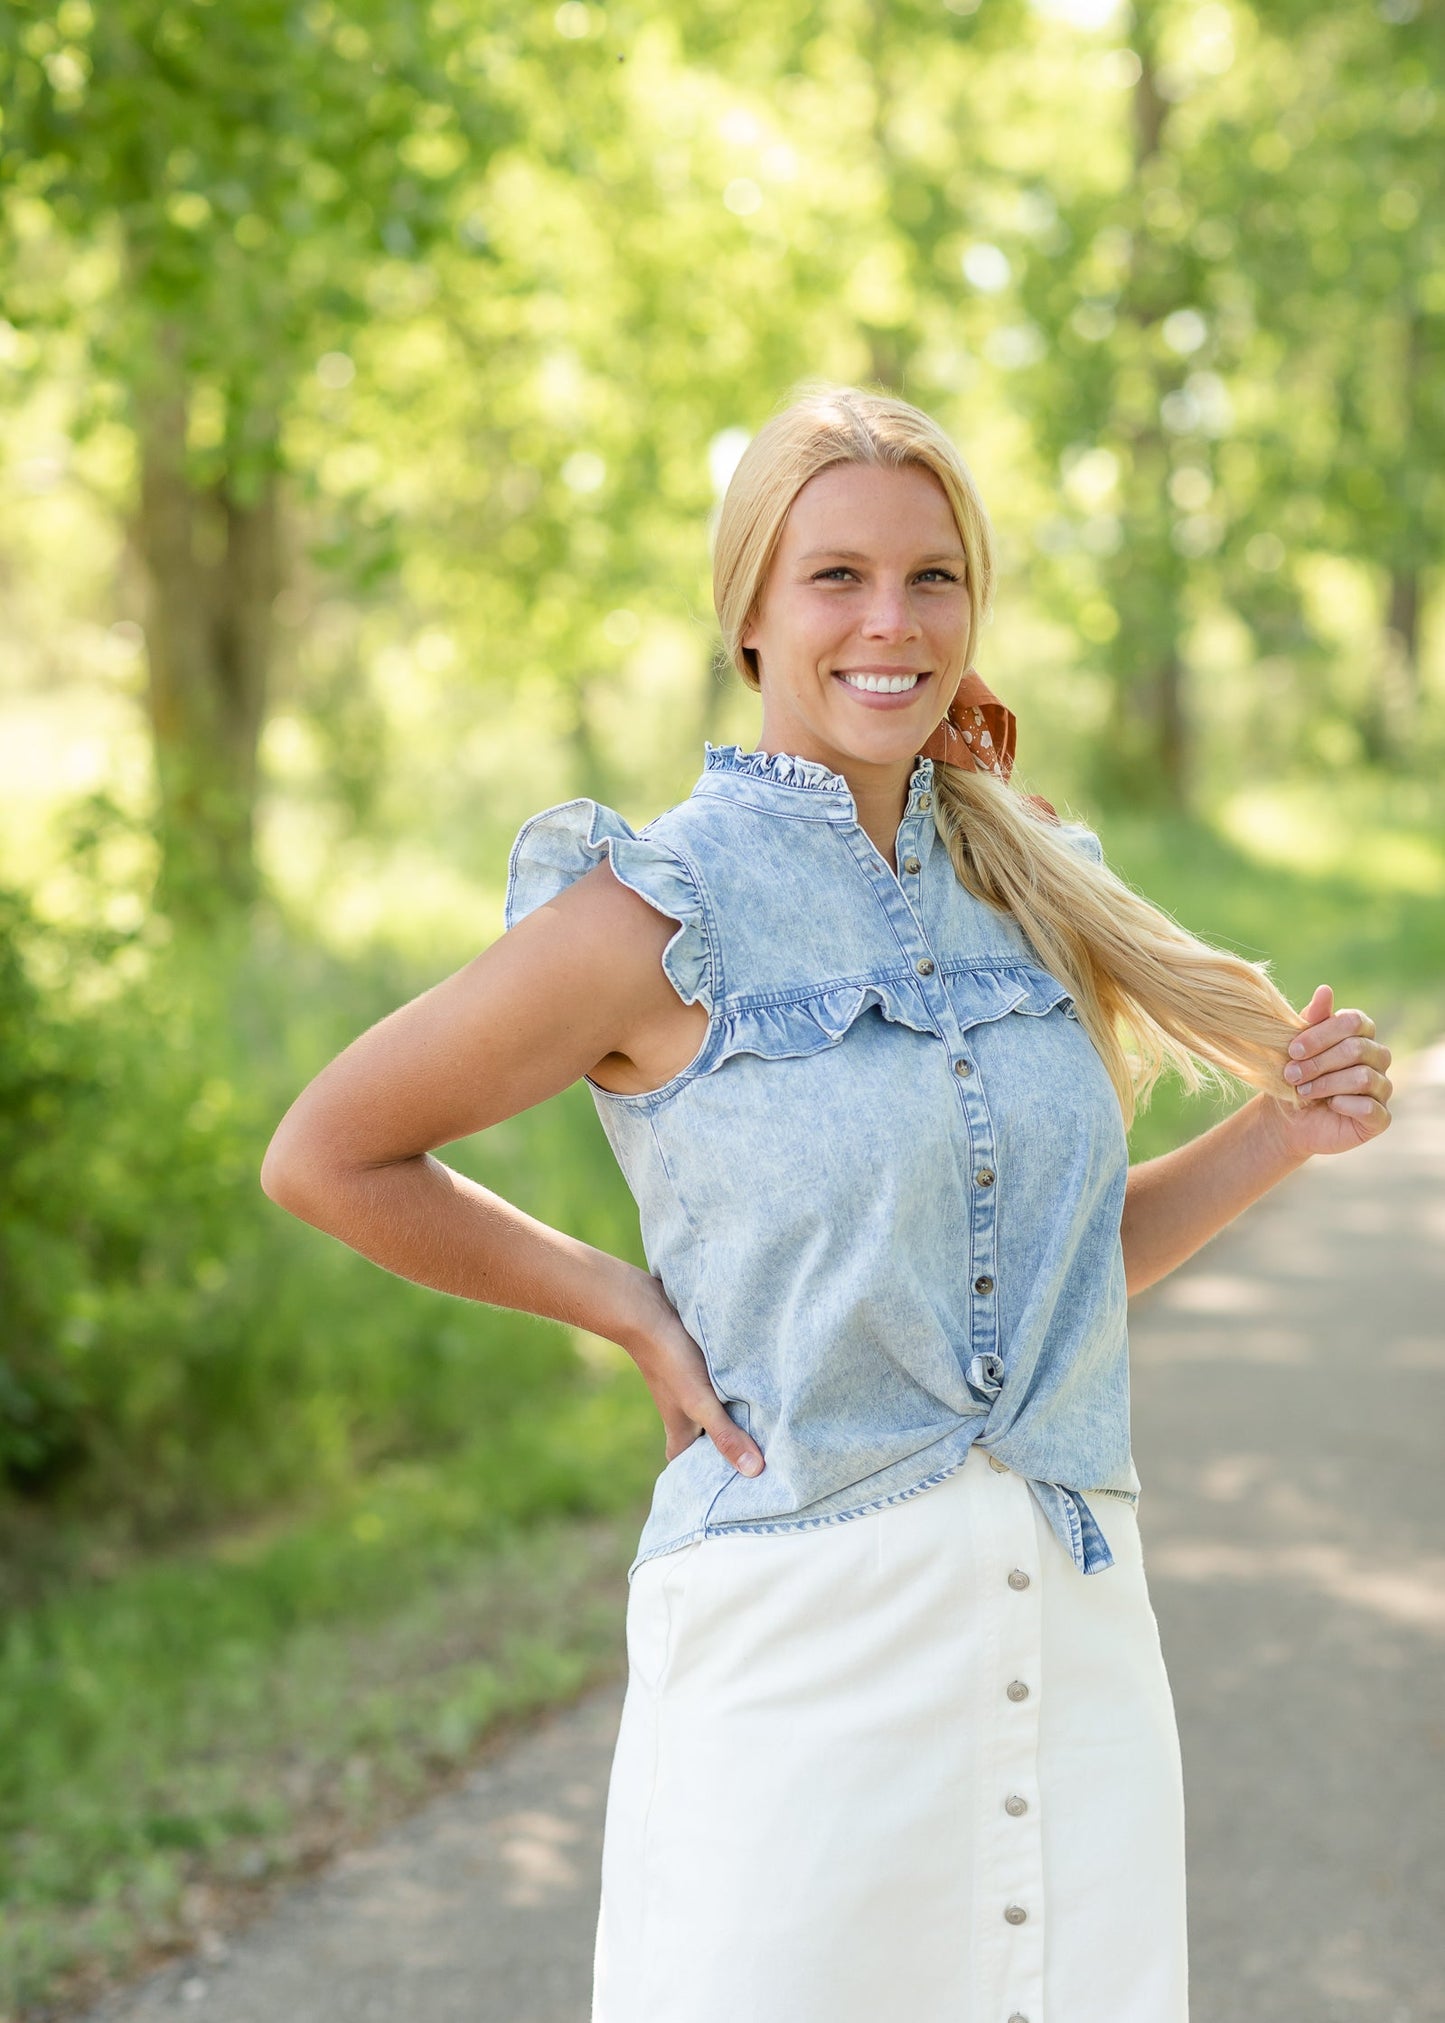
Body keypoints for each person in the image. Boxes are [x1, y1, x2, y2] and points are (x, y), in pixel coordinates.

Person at [260, 382, 1394, 2023]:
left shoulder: (1026, 873)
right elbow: (327, 1153)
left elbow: (1060, 1277)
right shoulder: (650, 911)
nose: (891, 620)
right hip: (800, 1654)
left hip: (1072, 1623)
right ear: (747, 613)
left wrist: (1277, 1135)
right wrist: (618, 1301)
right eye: (835, 576)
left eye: (933, 578)